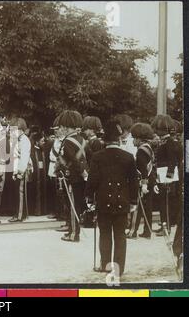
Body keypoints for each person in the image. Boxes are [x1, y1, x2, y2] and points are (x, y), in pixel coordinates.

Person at [86, 118, 139, 277]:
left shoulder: (97, 156)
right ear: (119, 138)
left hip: (103, 202)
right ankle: (119, 269)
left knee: (105, 234)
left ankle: (106, 266)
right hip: (123, 202)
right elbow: (134, 182)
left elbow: (92, 180)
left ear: (104, 139)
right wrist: (133, 201)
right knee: (120, 235)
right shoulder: (128, 157)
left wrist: (89, 198)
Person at [55, 110, 87, 242]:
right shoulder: (82, 139)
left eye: (62, 127)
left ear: (67, 127)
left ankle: (74, 234)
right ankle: (73, 231)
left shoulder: (68, 141)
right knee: (77, 205)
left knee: (73, 206)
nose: (61, 129)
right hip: (80, 177)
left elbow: (71, 160)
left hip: (72, 178)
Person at [151, 114, 182, 236]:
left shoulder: (169, 142)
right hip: (161, 174)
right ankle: (164, 225)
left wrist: (168, 178)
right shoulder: (165, 141)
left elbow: (172, 161)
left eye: (158, 129)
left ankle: (167, 227)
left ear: (163, 129)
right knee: (162, 201)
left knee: (166, 202)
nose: (156, 131)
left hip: (166, 177)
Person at [127, 123, 156, 239]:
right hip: (150, 181)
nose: (133, 140)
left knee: (137, 208)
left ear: (139, 139)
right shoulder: (148, 148)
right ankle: (147, 231)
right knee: (148, 207)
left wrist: (144, 184)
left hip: (143, 182)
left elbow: (143, 169)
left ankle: (132, 232)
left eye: (134, 138)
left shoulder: (141, 151)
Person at [8, 117, 32, 222]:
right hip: (16, 168)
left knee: (20, 192)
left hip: (20, 169)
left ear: (20, 129)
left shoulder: (24, 140)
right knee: (17, 193)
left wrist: (20, 172)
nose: (12, 132)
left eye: (14, 130)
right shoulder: (18, 139)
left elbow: (24, 158)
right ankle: (20, 213)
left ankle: (19, 215)